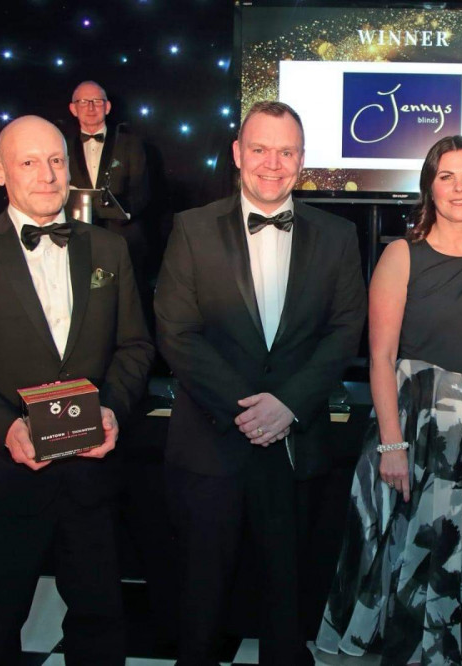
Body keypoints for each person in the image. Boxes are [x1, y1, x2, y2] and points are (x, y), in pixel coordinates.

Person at [0, 115, 154, 665]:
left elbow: (136, 347)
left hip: (91, 478)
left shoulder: (110, 252)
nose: (46, 175)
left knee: (100, 627)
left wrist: (113, 411)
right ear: (0, 172)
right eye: (28, 162)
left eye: (55, 161)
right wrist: (7, 429)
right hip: (2, 480)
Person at [154, 100, 367, 666]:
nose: (272, 163)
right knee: (199, 606)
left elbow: (346, 331)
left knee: (288, 606)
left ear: (303, 160)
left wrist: (289, 406)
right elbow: (176, 332)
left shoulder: (338, 236)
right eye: (259, 149)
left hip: (297, 448)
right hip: (211, 442)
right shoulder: (192, 229)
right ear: (236, 154)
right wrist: (249, 410)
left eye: (286, 151)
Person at [317, 135, 462, 665]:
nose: (459, 187)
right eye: (446, 176)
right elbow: (381, 356)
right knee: (416, 549)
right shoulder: (401, 255)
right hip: (415, 428)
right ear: (429, 187)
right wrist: (391, 443)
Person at [67, 80, 150, 279]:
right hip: (77, 237)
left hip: (122, 237)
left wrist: (121, 212)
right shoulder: (63, 146)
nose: (90, 107)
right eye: (84, 102)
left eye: (97, 101)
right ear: (73, 109)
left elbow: (143, 190)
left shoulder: (130, 143)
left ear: (107, 106)